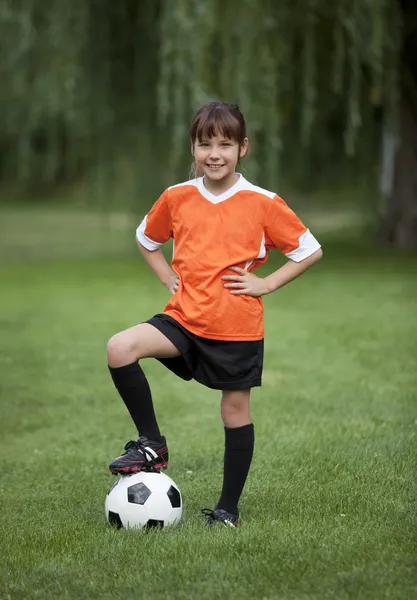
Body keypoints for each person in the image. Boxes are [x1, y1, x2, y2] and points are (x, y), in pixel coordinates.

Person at [106, 101, 323, 527]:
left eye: (225, 143)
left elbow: (309, 250)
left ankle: (227, 509)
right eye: (205, 144)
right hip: (184, 318)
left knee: (234, 413)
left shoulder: (262, 202)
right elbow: (146, 239)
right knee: (120, 348)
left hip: (236, 327)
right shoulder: (177, 196)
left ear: (243, 147)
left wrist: (266, 284)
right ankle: (152, 443)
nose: (214, 154)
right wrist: (168, 276)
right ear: (193, 148)